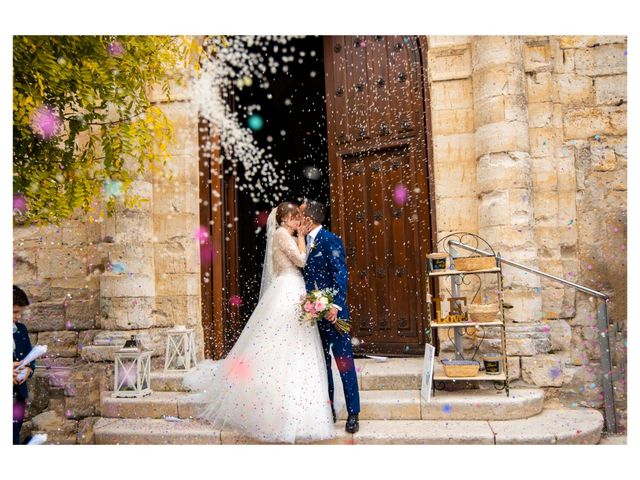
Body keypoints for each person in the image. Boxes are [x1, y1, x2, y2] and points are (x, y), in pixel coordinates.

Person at [186, 201, 337, 443]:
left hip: (292, 289)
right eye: (295, 217)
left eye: (300, 217)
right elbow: (301, 260)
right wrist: (300, 237)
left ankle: (301, 411)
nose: (299, 220)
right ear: (285, 219)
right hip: (287, 289)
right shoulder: (281, 234)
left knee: (299, 347)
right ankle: (277, 412)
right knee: (281, 345)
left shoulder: (283, 234)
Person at [300, 199, 361, 434]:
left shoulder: (330, 240)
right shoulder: (302, 243)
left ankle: (353, 413)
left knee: (344, 362)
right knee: (321, 364)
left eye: (301, 214)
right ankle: (329, 409)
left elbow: (340, 274)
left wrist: (334, 305)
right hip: (313, 315)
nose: (298, 218)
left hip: (335, 315)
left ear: (310, 219)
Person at [13, 285, 36, 445]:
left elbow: (30, 357)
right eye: (14, 312)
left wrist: (28, 369)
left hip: (18, 395)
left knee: (14, 433)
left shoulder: (21, 330)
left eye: (20, 312)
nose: (18, 316)